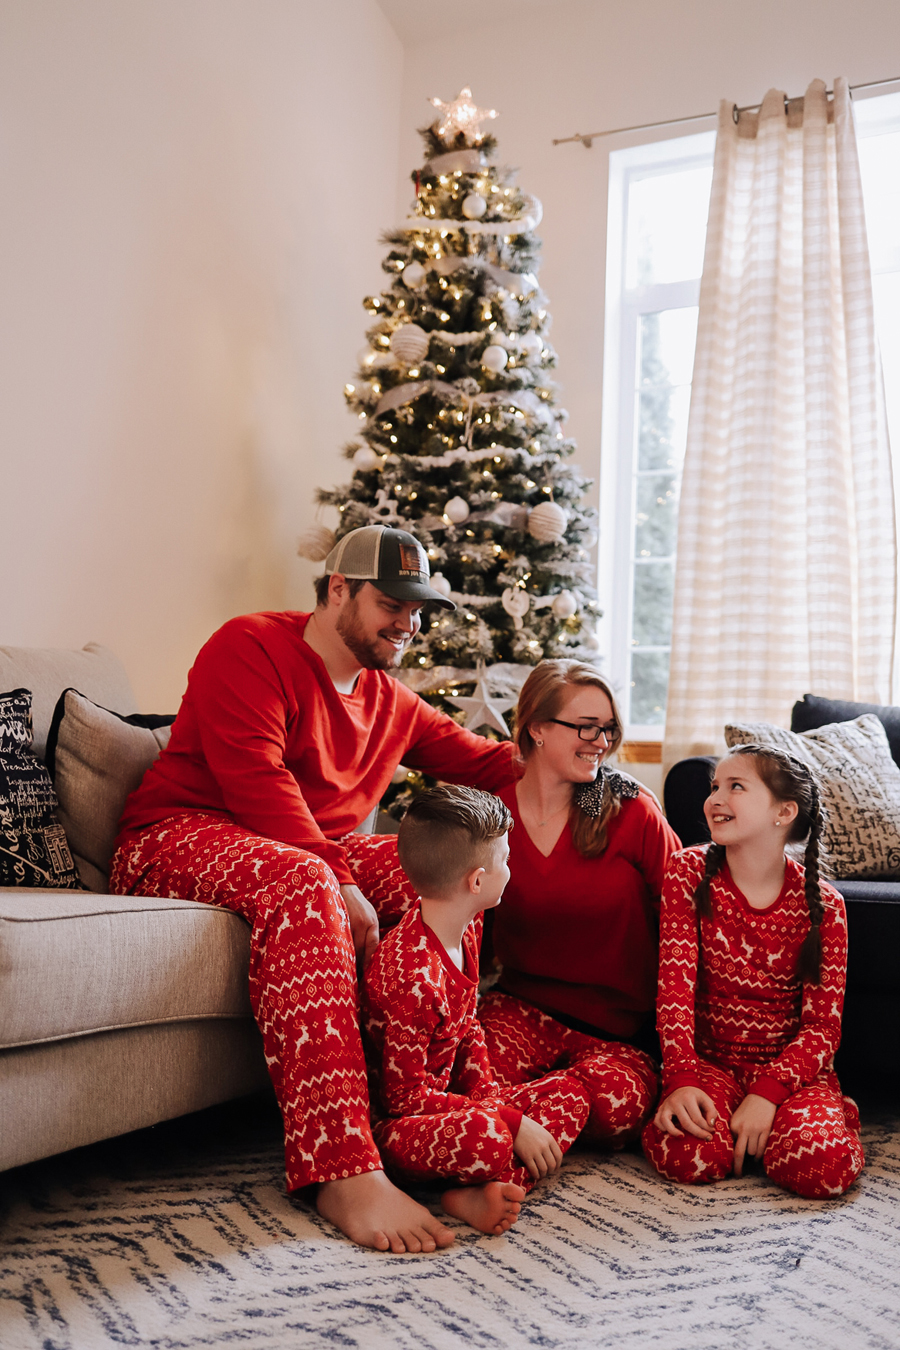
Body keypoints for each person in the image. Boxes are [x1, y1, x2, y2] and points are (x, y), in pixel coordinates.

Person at [109, 525, 518, 1254]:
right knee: (307, 878)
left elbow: (489, 764)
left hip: (293, 853)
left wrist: (578, 753)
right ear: (339, 591)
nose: (410, 622)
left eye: (418, 607)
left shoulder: (390, 699)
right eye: (393, 603)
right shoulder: (249, 646)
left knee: (435, 866)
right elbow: (257, 781)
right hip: (178, 834)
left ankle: (424, 1125)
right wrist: (334, 874)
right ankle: (341, 1166)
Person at [362, 785, 591, 1236]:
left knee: (572, 1094)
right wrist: (503, 1120)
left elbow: (468, 1028)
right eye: (506, 859)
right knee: (490, 1138)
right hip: (400, 1128)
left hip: (456, 1106)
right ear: (478, 880)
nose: (512, 868)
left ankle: (489, 1186)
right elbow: (403, 1100)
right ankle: (481, 1179)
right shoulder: (414, 976)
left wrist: (492, 1101)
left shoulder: (466, 923)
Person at [641, 744, 865, 1198]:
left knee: (824, 1168)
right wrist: (681, 1081)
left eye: (735, 787)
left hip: (792, 1076)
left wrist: (767, 1093)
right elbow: (674, 993)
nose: (715, 799)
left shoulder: (825, 906)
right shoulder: (686, 871)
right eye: (714, 786)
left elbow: (822, 1029)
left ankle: (832, 1114)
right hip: (710, 1066)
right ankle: (747, 1132)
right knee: (686, 1156)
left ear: (783, 811)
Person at [477, 659, 681, 1147]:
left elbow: (684, 923)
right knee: (467, 1074)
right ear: (538, 728)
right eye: (585, 728)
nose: (601, 742)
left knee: (613, 1105)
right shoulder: (490, 813)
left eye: (607, 729)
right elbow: (468, 930)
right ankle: (503, 1130)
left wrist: (685, 1063)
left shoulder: (629, 809)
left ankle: (501, 1134)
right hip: (520, 1009)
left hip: (617, 1034)